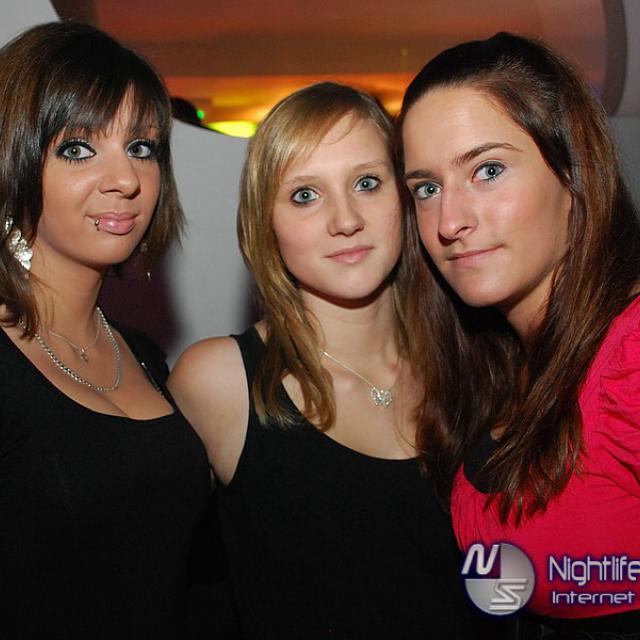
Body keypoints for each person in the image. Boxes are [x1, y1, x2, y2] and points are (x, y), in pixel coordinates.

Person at [169, 82, 500, 639]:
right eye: (305, 195)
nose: (345, 219)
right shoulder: (221, 383)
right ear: (266, 223)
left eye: (366, 183)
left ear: (405, 198)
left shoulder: (481, 366)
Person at [398, 32, 640, 637]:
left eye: (488, 170)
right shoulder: (498, 362)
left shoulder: (631, 358)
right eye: (427, 188)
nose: (449, 221)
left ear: (574, 174)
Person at [0, 22, 211, 638]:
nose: (127, 179)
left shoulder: (143, 355)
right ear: (13, 156)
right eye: (78, 149)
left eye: (142, 147)